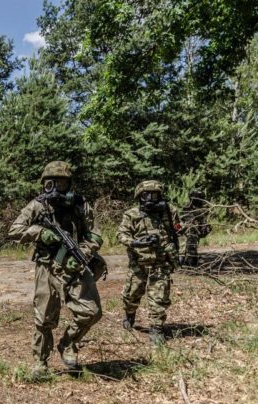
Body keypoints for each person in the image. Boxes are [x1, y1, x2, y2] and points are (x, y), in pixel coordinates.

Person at [9, 161, 104, 379]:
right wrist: (40, 233)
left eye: (62, 183)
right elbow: (14, 230)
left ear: (70, 184)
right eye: (52, 183)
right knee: (44, 318)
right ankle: (40, 362)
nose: (57, 187)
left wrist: (84, 253)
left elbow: (95, 235)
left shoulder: (81, 205)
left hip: (75, 266)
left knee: (92, 311)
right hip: (46, 267)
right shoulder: (37, 205)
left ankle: (68, 343)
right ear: (45, 184)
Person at [117, 180, 181, 345]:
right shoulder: (132, 214)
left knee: (159, 298)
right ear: (140, 196)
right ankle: (130, 314)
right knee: (131, 295)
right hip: (139, 263)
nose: (152, 199)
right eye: (147, 195)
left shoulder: (168, 211)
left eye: (155, 195)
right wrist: (135, 242)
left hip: (161, 263)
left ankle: (156, 328)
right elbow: (121, 235)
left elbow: (178, 229)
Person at [179, 190, 211, 267]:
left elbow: (205, 214)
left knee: (192, 244)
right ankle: (188, 261)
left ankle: (190, 260)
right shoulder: (188, 206)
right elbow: (184, 217)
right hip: (189, 229)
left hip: (197, 229)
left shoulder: (203, 207)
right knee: (188, 245)